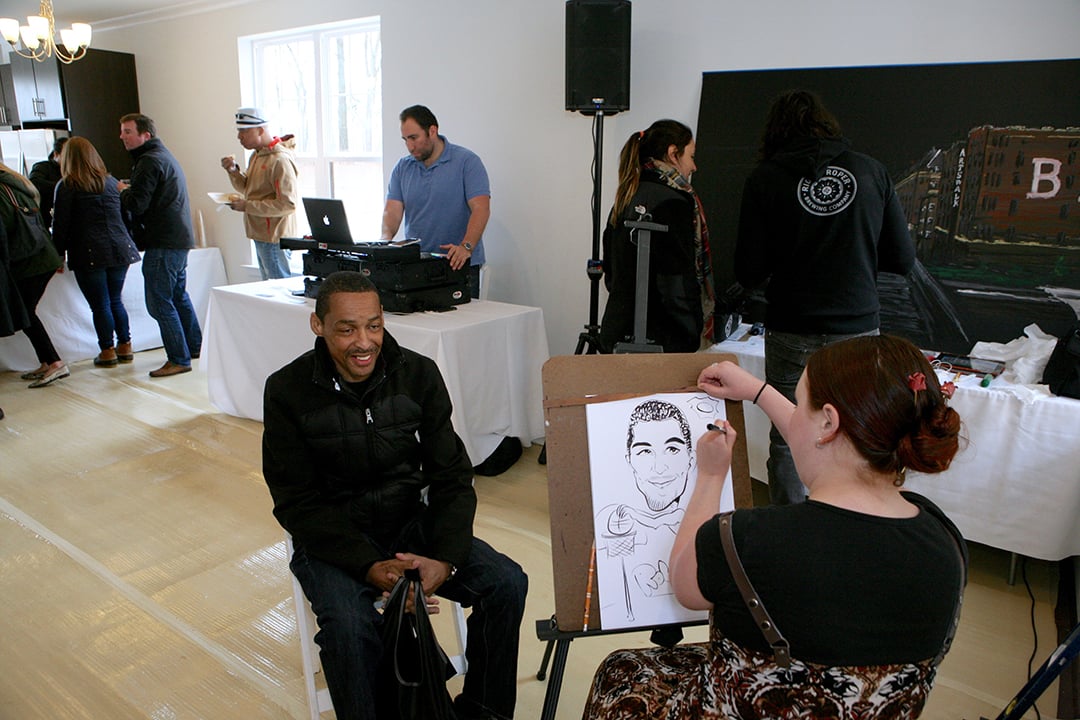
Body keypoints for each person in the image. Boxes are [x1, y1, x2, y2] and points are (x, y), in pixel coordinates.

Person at [583, 334, 967, 719]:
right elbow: (820, 438)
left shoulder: (748, 538)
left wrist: (711, 476)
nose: (794, 414)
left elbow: (685, 585)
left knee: (620, 670)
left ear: (829, 422)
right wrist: (758, 391)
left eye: (799, 404)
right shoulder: (944, 542)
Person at [262, 270, 527, 720]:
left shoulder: (419, 375)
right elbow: (296, 502)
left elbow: (451, 476)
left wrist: (444, 557)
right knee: (348, 627)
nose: (364, 342)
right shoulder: (287, 390)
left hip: (409, 522)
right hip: (334, 540)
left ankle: (484, 712)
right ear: (318, 325)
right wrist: (369, 567)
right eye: (346, 329)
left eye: (374, 325)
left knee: (506, 583)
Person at [735, 89, 915, 505]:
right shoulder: (871, 172)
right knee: (859, 430)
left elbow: (748, 271)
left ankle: (793, 531)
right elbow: (902, 260)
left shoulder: (764, 179)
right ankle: (849, 519)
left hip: (792, 324)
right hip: (857, 326)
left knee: (788, 430)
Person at [598, 119, 715, 353]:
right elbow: (677, 282)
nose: (694, 167)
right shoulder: (675, 202)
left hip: (618, 333)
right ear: (673, 153)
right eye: (691, 157)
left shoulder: (626, 196)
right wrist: (691, 334)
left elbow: (611, 273)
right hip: (663, 342)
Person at [117, 113, 202, 378]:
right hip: (178, 239)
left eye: (128, 131)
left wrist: (122, 190)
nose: (122, 136)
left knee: (159, 302)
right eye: (122, 131)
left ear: (146, 135)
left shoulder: (149, 161)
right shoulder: (164, 156)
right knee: (177, 295)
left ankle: (178, 358)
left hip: (163, 241)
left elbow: (137, 203)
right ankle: (194, 347)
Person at [595, 399, 694, 618]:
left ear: (691, 458)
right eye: (645, 452)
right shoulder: (611, 525)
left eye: (672, 449)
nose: (660, 467)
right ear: (629, 460)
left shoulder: (707, 522)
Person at [381, 105, 490, 298]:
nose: (410, 146)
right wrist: (384, 241)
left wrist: (466, 247)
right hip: (418, 265)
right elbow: (392, 212)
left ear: (432, 131)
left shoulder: (467, 162)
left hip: (458, 266)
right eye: (405, 140)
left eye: (414, 138)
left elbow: (481, 208)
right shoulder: (402, 168)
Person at [52, 137, 142, 367]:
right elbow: (127, 216)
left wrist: (58, 254)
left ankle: (107, 350)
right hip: (120, 248)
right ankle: (125, 344)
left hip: (88, 250)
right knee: (115, 300)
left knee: (100, 304)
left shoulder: (67, 185)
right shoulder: (111, 183)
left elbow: (61, 225)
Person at [0, 162, 68, 388]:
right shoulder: (17, 185)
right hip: (40, 256)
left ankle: (55, 362)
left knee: (25, 315)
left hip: (30, 261)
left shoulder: (2, 190)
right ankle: (47, 361)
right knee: (26, 313)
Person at [220, 107, 299, 280]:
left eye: (244, 131)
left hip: (275, 238)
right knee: (269, 289)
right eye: (239, 131)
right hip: (261, 234)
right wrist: (233, 171)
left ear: (261, 130)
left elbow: (288, 204)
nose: (239, 137)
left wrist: (246, 205)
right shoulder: (257, 156)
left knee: (278, 290)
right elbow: (248, 188)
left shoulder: (280, 160)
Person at [29, 136, 69, 227]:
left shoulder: (72, 170)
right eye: (66, 156)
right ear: (56, 154)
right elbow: (34, 182)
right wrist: (62, 187)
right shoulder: (43, 167)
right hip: (46, 219)